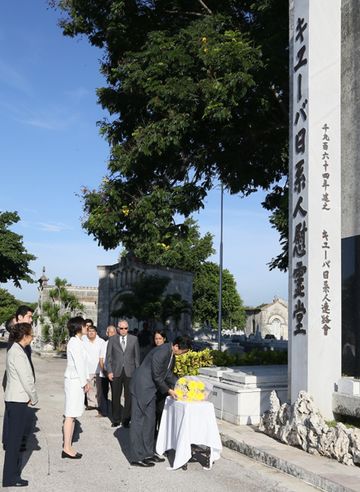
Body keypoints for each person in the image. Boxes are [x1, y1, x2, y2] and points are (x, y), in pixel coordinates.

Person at [129, 335, 192, 467]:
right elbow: (157, 376)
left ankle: (149, 453)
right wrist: (169, 391)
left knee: (150, 421)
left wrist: (181, 386)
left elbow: (167, 374)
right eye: (182, 352)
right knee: (138, 422)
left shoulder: (171, 354)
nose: (181, 355)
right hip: (142, 387)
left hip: (151, 390)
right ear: (176, 346)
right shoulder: (162, 352)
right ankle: (138, 456)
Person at [2, 323, 38, 487]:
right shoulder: (18, 352)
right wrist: (34, 396)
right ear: (24, 336)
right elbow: (26, 378)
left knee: (14, 440)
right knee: (15, 441)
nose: (33, 337)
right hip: (18, 400)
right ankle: (10, 478)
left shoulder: (15, 349)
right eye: (31, 334)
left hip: (14, 398)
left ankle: (11, 474)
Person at [62, 316, 90, 459]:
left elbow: (84, 364)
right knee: (70, 414)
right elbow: (79, 363)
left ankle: (68, 445)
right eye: (85, 325)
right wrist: (84, 382)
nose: (87, 327)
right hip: (74, 381)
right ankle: (66, 447)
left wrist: (86, 380)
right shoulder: (74, 342)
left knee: (73, 414)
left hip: (77, 380)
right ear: (79, 327)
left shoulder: (80, 341)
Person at [105, 320, 140, 428]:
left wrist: (137, 373)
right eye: (121, 328)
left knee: (129, 397)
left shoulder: (134, 339)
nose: (123, 330)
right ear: (117, 328)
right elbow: (108, 357)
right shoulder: (112, 339)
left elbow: (137, 358)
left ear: (128, 328)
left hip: (130, 372)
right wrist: (109, 371)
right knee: (115, 396)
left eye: (125, 328)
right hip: (116, 371)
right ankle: (116, 419)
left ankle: (126, 419)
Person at [83, 325, 105, 414]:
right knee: (90, 388)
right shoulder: (84, 342)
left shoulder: (101, 342)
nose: (91, 333)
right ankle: (92, 404)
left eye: (93, 331)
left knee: (99, 388)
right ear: (87, 332)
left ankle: (99, 404)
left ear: (96, 332)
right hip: (88, 368)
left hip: (99, 369)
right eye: (89, 331)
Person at [98, 325, 117, 417]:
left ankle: (115, 413)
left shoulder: (119, 344)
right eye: (110, 332)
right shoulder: (104, 344)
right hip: (104, 373)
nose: (112, 334)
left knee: (115, 393)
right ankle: (104, 411)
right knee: (103, 393)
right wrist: (104, 371)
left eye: (114, 332)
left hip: (115, 373)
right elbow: (101, 359)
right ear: (107, 333)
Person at [152, 331, 167, 437]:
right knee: (153, 413)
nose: (157, 341)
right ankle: (153, 434)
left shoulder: (167, 352)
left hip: (163, 386)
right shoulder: (152, 351)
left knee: (161, 412)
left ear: (164, 339)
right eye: (156, 339)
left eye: (159, 339)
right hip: (152, 386)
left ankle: (161, 435)